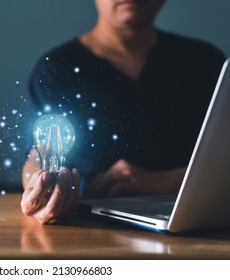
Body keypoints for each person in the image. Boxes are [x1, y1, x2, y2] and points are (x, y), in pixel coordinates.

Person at [21, 0, 225, 224]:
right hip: (88, 230)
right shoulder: (57, 69)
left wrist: (161, 182)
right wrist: (39, 187)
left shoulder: (205, 63)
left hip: (198, 227)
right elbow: (39, 153)